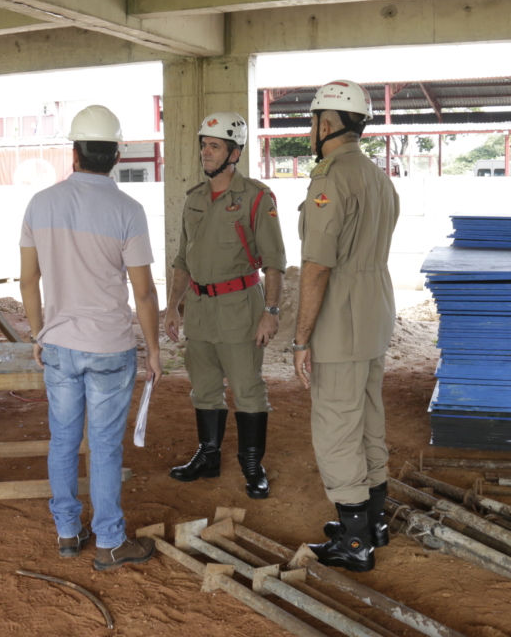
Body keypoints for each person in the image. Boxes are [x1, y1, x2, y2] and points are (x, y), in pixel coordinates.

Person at [19, 104, 161, 572]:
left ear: (75, 153)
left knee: (63, 440)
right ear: (116, 156)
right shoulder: (128, 210)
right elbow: (143, 292)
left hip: (59, 345)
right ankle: (109, 542)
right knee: (104, 447)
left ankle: (67, 532)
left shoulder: (40, 204)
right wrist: (154, 351)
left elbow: (28, 280)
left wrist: (38, 334)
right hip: (109, 348)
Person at [292, 80, 400, 573]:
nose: (311, 130)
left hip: (341, 320)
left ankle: (354, 541)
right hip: (375, 315)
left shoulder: (331, 179)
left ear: (327, 123)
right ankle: (373, 522)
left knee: (336, 425)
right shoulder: (378, 176)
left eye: (314, 121)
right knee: (369, 417)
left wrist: (301, 339)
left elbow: (317, 267)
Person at [164, 112, 286, 499]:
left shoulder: (256, 197)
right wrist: (172, 306)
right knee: (203, 387)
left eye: (214, 146)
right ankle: (209, 455)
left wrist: (271, 312)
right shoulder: (194, 199)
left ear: (234, 153)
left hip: (240, 307)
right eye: (204, 145)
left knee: (247, 388)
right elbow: (182, 260)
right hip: (199, 307)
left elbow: (274, 262)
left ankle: (251, 464)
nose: (206, 152)